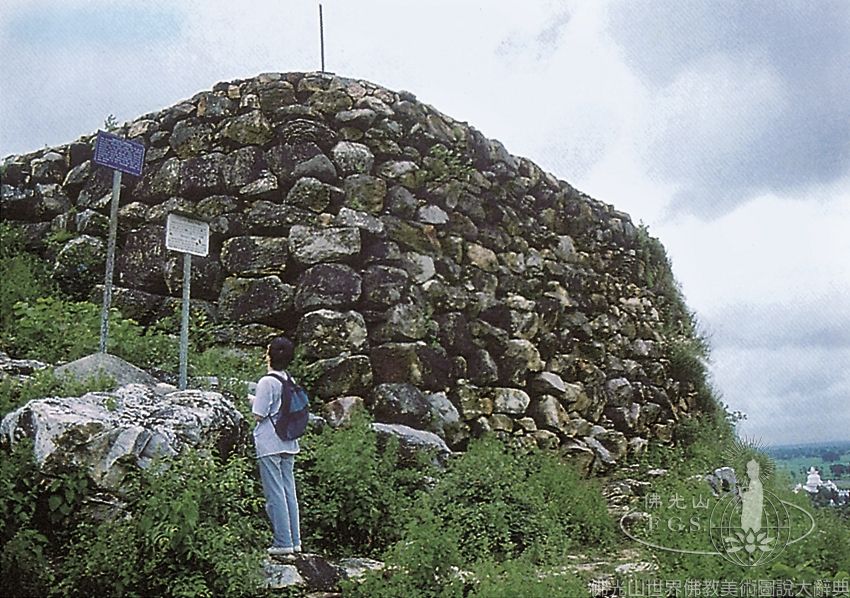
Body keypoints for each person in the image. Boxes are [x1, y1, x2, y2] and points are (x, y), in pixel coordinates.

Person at [250, 336, 302, 557]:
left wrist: (252, 400)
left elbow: (259, 414)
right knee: (289, 491)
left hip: (269, 443)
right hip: (289, 442)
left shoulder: (267, 382)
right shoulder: (288, 379)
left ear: (270, 355)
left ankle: (282, 542)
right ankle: (295, 540)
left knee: (275, 494)